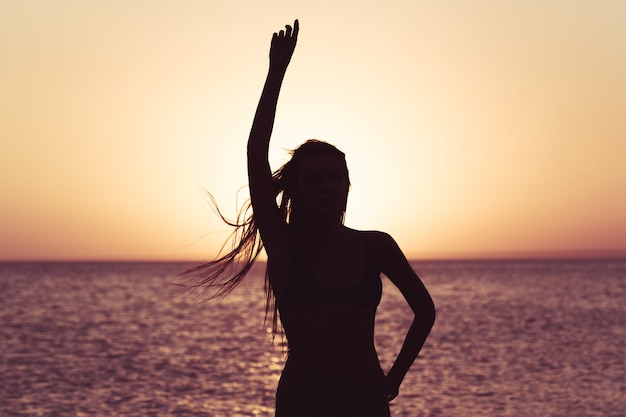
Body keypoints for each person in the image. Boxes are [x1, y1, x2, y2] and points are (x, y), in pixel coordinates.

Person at [182, 19, 435, 417]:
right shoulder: (283, 245)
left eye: (334, 178)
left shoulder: (377, 245)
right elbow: (254, 154)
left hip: (366, 400)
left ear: (347, 186)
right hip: (304, 401)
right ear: (296, 187)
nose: (325, 186)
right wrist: (276, 73)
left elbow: (425, 310)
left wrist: (396, 377)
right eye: (313, 178)